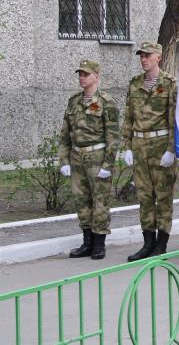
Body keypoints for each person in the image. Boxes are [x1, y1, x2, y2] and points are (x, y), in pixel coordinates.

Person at [58, 60, 120, 260]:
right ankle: (87, 242)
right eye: (80, 74)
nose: (81, 77)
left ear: (96, 76)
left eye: (85, 74)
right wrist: (64, 161)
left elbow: (113, 136)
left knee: (100, 201)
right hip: (77, 157)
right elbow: (65, 134)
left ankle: (99, 243)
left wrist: (108, 165)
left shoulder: (106, 101)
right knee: (81, 200)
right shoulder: (73, 101)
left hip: (97, 157)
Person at [121, 42, 178, 261]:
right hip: (140, 145)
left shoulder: (170, 83)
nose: (144, 59)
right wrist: (126, 146)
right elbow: (128, 117)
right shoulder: (135, 84)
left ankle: (161, 244)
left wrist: (172, 150)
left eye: (148, 55)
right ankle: (148, 243)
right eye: (141, 56)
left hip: (161, 144)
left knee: (163, 196)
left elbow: (174, 118)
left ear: (158, 57)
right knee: (144, 197)